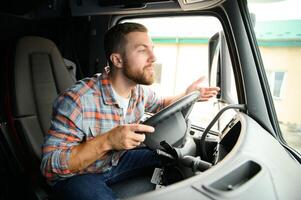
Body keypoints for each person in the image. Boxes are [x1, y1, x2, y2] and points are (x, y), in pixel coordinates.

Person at [40, 22, 220, 200]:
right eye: (143, 50)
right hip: (79, 175)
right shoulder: (77, 101)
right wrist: (109, 140)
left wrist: (188, 94)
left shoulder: (138, 91)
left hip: (117, 162)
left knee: (172, 158)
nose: (153, 57)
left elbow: (161, 103)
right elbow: (49, 166)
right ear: (117, 60)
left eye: (152, 48)